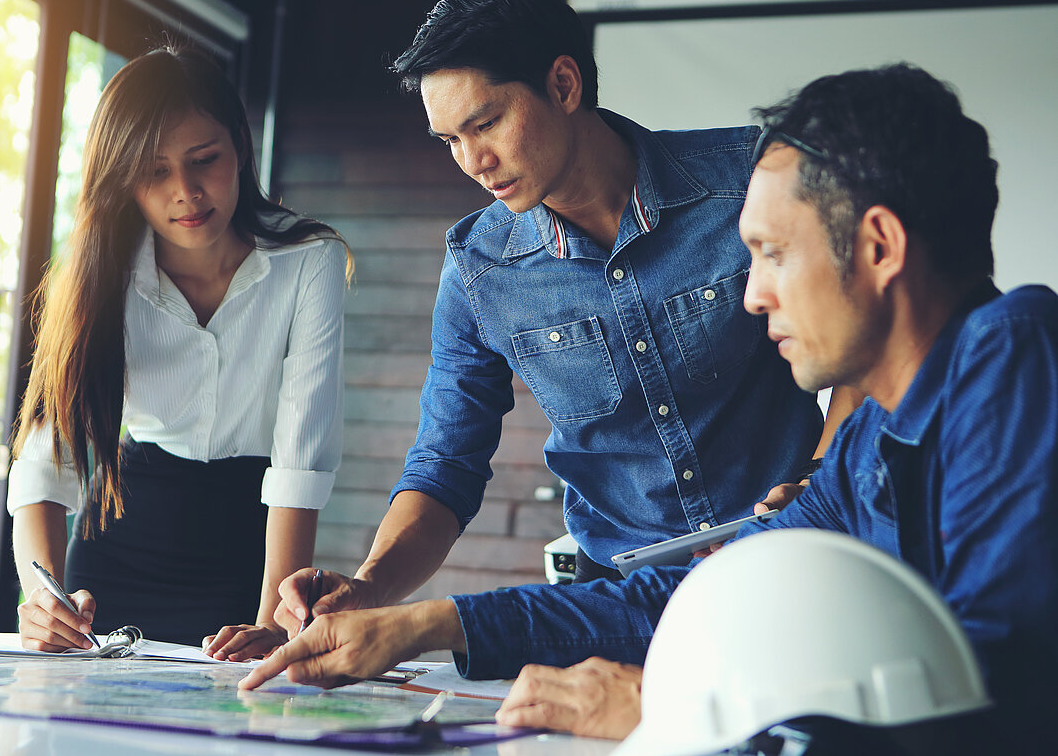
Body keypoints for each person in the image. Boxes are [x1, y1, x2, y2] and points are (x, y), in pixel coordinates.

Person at [239, 64, 1058, 753]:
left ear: (877, 246)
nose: (754, 291)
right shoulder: (863, 446)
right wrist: (426, 625)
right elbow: (696, 598)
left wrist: (678, 716)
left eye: (771, 253)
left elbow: (999, 707)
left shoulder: (1012, 353)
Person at [237, 0, 854, 662]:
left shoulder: (747, 182)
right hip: (615, 605)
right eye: (450, 140)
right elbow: (445, 463)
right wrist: (371, 586)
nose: (473, 162)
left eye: (486, 123)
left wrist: (828, 478)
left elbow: (861, 339)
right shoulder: (479, 266)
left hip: (793, 565)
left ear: (564, 85)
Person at [7, 44, 350, 654]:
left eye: (204, 160)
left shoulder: (309, 261)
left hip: (249, 560)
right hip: (115, 551)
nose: (185, 191)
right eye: (155, 171)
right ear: (124, 179)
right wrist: (44, 602)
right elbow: (43, 458)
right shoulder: (97, 272)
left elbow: (301, 458)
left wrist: (273, 619)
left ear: (240, 147)